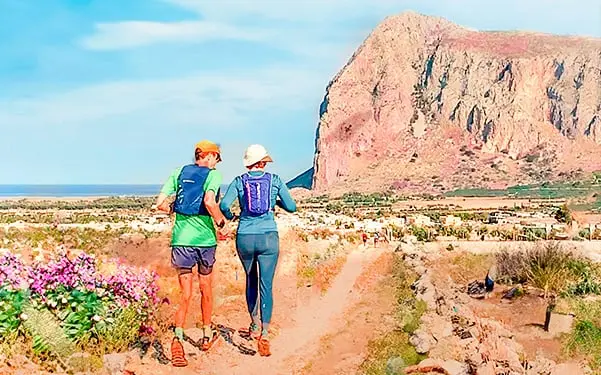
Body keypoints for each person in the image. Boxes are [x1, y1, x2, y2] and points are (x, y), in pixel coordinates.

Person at [153, 140, 230, 367]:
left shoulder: (178, 172)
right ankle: (207, 335)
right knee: (206, 289)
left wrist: (174, 209)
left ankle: (178, 338)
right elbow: (209, 200)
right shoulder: (213, 175)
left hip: (181, 241)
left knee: (185, 294)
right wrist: (220, 222)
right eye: (217, 158)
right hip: (205, 242)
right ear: (209, 156)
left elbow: (160, 203)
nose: (217, 162)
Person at [219, 144, 297, 357]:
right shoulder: (275, 180)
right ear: (263, 162)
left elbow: (224, 205)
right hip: (268, 236)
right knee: (266, 285)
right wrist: (276, 202)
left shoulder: (238, 181)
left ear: (248, 163)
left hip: (244, 235)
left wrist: (231, 217)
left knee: (250, 280)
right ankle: (264, 332)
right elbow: (292, 206)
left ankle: (253, 325)